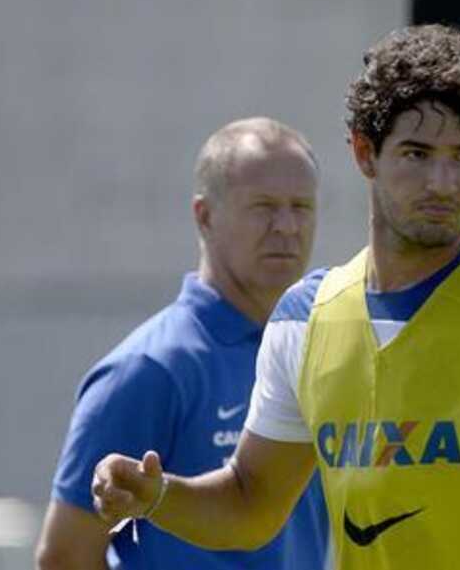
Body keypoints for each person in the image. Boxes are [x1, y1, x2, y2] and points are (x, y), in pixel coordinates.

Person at [92, 25, 460, 569]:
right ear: (366, 153)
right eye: (417, 154)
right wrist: (158, 496)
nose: (444, 185)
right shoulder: (303, 319)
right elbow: (251, 504)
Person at [35, 117, 329, 570]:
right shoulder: (150, 369)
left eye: (301, 206)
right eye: (264, 207)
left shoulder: (317, 351)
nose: (286, 226)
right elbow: (65, 557)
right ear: (205, 216)